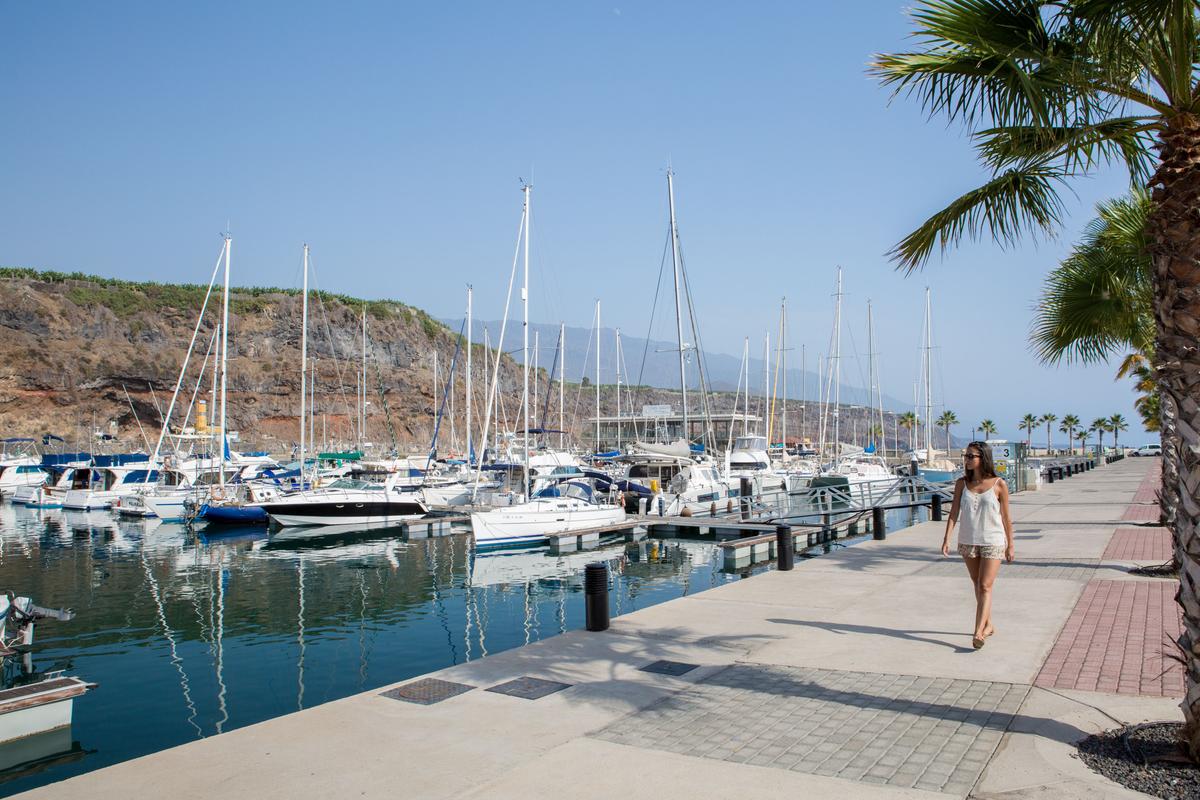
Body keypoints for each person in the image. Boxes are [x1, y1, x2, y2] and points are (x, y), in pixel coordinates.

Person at [940, 441, 1015, 649]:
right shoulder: (961, 484)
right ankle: (988, 624)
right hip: (968, 539)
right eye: (966, 456)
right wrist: (947, 538)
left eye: (971, 456)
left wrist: (1010, 545)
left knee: (985, 586)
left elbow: (1006, 517)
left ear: (983, 458)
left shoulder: (999, 484)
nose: (967, 459)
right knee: (977, 584)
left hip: (993, 540)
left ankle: (979, 632)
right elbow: (954, 512)